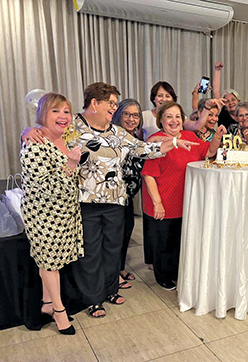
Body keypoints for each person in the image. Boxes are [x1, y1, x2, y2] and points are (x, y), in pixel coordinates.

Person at [22, 83, 193, 318]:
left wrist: (173, 143)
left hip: (115, 200)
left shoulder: (117, 132)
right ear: (95, 103)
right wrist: (27, 130)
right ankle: (93, 298)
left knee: (113, 249)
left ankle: (110, 289)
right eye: (111, 103)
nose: (115, 108)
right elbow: (46, 131)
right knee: (91, 253)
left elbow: (144, 149)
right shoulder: (73, 126)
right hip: (84, 201)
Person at [142, 101, 222, 290]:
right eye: (169, 116)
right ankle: (163, 276)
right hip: (162, 199)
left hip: (185, 200)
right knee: (163, 241)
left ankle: (178, 272)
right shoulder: (156, 140)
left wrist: (217, 137)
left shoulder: (189, 136)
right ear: (161, 120)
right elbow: (148, 174)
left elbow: (209, 152)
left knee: (179, 240)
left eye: (177, 116)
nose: (174, 120)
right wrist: (158, 203)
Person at [20, 93, 81, 335]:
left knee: (52, 261)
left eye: (66, 111)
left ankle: (47, 303)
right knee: (50, 263)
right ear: (42, 114)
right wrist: (71, 166)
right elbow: (45, 187)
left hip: (64, 212)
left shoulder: (66, 137)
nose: (63, 116)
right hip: (43, 214)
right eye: (56, 111)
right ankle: (59, 312)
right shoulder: (34, 144)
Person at [111, 99, 144, 288]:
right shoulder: (114, 138)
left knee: (126, 232)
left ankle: (120, 267)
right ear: (119, 115)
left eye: (136, 115)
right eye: (127, 114)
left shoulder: (137, 140)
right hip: (113, 198)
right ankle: (113, 274)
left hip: (128, 198)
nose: (132, 119)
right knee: (115, 237)